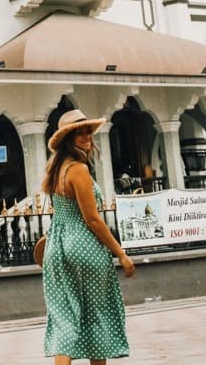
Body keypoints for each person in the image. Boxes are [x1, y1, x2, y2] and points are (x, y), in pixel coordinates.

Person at [41, 109, 135, 364]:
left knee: (65, 320)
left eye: (87, 131)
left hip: (57, 248)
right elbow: (92, 219)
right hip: (84, 247)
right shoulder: (79, 170)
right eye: (78, 133)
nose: (86, 136)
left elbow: (61, 214)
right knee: (97, 317)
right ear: (67, 139)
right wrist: (121, 254)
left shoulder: (56, 170)